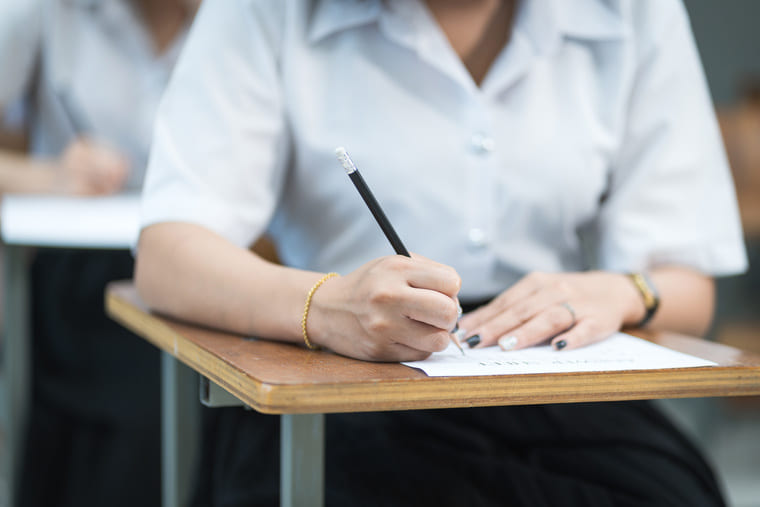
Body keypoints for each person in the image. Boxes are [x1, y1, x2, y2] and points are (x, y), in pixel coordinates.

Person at [136, 0, 747, 505]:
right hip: (336, 381)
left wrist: (617, 291)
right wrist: (326, 306)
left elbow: (688, 284)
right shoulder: (267, 13)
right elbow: (167, 254)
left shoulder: (635, 13)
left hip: (548, 380)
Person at [0, 1, 198, 505]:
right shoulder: (42, 15)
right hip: (79, 277)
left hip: (201, 269)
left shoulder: (243, 20)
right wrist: (50, 176)